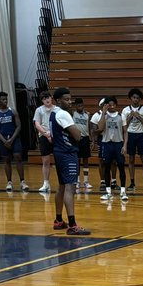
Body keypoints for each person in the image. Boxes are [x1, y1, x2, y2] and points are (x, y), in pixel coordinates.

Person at [48, 87, 91, 235]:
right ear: (58, 100)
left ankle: (58, 220)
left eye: (70, 98)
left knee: (61, 186)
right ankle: (72, 225)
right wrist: (76, 133)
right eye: (66, 99)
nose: (70, 101)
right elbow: (78, 135)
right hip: (67, 153)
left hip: (58, 152)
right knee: (70, 188)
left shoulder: (53, 113)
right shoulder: (63, 114)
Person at [0, 91, 28, 192]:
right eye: (3, 99)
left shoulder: (13, 111)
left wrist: (11, 139)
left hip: (14, 138)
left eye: (6, 99)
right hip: (2, 140)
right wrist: (4, 141)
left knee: (18, 157)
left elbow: (19, 125)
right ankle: (9, 182)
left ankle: (22, 181)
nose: (5, 101)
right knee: (6, 160)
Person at [95, 96, 128, 202]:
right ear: (106, 105)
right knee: (106, 167)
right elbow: (100, 128)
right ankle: (108, 192)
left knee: (121, 167)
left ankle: (123, 192)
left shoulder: (121, 116)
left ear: (116, 105)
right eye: (109, 104)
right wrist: (104, 113)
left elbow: (125, 131)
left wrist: (125, 145)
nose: (112, 106)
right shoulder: (103, 115)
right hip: (106, 144)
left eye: (113, 104)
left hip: (118, 144)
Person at [122, 87, 143, 193]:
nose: (136, 100)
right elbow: (124, 127)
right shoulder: (125, 110)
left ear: (140, 99)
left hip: (141, 135)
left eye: (138, 98)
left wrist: (139, 117)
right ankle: (132, 182)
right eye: (134, 97)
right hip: (130, 135)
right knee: (131, 159)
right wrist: (129, 118)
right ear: (131, 98)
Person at [33, 91, 54, 193]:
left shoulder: (57, 109)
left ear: (51, 98)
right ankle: (46, 183)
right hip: (44, 136)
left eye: (48, 97)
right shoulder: (39, 110)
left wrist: (52, 134)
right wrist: (46, 134)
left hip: (55, 137)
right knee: (45, 161)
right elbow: (37, 123)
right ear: (42, 101)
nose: (47, 100)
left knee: (59, 160)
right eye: (44, 99)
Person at [72, 97, 92, 192]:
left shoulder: (87, 114)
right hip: (76, 139)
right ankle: (77, 181)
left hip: (85, 138)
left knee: (85, 160)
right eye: (78, 105)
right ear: (75, 106)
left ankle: (86, 181)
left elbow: (89, 128)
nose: (80, 107)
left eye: (81, 105)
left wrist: (91, 140)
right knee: (77, 160)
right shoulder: (72, 114)